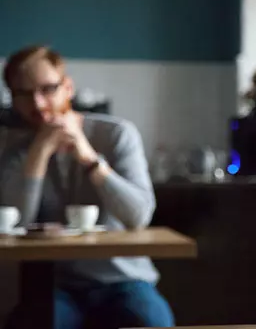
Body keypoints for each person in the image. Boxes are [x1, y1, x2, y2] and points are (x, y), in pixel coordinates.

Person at [0, 46, 174, 329]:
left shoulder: (117, 134)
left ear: (68, 87)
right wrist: (39, 153)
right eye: (24, 93)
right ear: (13, 99)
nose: (38, 102)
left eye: (48, 89)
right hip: (54, 284)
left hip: (124, 279)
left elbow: (138, 216)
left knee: (151, 320)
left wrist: (89, 157)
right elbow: (14, 225)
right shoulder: (10, 147)